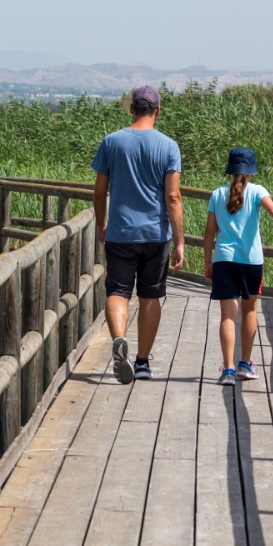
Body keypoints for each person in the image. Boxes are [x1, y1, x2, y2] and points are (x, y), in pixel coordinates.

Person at [203, 147, 273, 386]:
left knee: (227, 316)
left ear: (231, 170)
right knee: (249, 312)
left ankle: (228, 370)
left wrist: (207, 261)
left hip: (223, 260)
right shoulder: (257, 191)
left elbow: (209, 232)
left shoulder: (217, 194)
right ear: (251, 171)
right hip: (251, 261)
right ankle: (245, 364)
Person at [92, 86, 184, 384]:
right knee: (150, 295)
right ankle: (142, 362)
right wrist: (180, 240)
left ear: (131, 109)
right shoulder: (169, 146)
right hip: (156, 235)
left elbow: (99, 191)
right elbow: (173, 197)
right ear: (158, 111)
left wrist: (101, 223)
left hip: (120, 232)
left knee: (117, 291)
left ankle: (119, 339)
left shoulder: (111, 142)